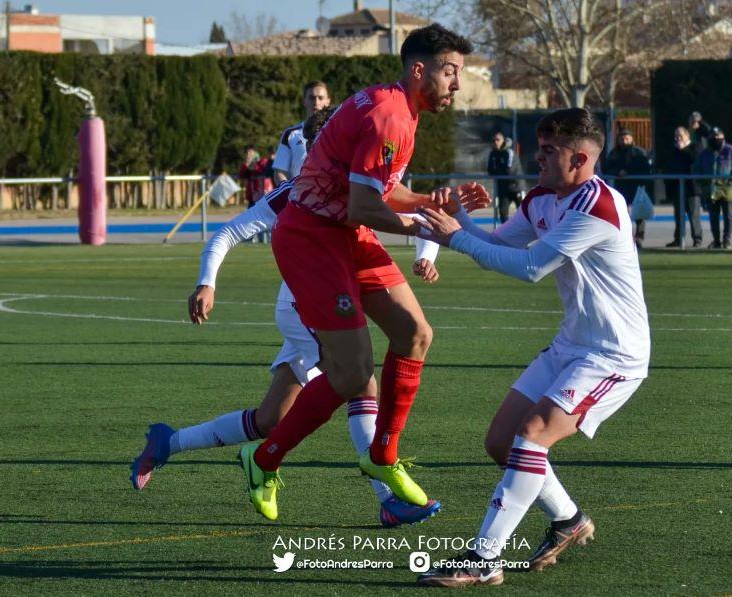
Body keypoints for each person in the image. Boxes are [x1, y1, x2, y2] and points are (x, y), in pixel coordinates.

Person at [131, 107, 453, 527]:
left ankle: (167, 442)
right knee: (360, 380)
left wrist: (428, 250)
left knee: (271, 419)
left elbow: (403, 212)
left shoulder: (357, 182)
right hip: (303, 306)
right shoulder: (298, 194)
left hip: (320, 302)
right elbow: (228, 232)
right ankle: (388, 498)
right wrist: (207, 282)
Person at [237, 24, 486, 522]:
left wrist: (437, 202)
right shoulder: (389, 114)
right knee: (352, 372)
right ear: (420, 69)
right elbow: (363, 204)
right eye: (450, 71)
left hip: (346, 231)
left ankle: (382, 456)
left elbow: (376, 191)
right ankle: (262, 458)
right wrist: (429, 228)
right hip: (312, 239)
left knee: (415, 333)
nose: (457, 83)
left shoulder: (398, 109)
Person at [414, 108, 649, 588]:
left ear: (580, 158)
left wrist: (455, 237)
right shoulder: (543, 198)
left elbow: (529, 268)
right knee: (501, 442)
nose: (533, 158)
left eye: (548, 152)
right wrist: (456, 217)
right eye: (537, 147)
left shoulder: (599, 206)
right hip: (572, 345)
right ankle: (568, 519)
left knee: (533, 433)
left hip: (613, 355)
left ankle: (484, 557)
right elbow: (498, 248)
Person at [693, 127, 732, 250]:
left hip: (728, 191)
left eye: (718, 137)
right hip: (710, 190)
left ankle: (727, 240)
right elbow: (697, 170)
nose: (715, 140)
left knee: (728, 216)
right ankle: (716, 241)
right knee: (713, 217)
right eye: (713, 137)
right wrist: (702, 183)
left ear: (723, 137)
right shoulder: (704, 154)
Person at [273, 80, 331, 184]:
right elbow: (280, 172)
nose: (316, 102)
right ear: (304, 101)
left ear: (328, 101)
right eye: (311, 97)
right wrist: (290, 194)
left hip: (330, 196)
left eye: (320, 98)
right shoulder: (290, 134)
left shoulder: (337, 132)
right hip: (299, 197)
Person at [603, 128, 650, 248]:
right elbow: (607, 168)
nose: (624, 141)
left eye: (627, 138)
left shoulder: (639, 153)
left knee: (639, 213)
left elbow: (645, 169)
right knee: (622, 214)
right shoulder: (614, 153)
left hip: (637, 187)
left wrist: (628, 172)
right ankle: (624, 237)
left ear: (632, 139)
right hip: (621, 188)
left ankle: (639, 237)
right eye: (622, 138)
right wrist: (618, 172)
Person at [665, 126, 702, 248]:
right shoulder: (673, 149)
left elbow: (695, 160)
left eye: (680, 136)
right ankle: (678, 239)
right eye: (676, 136)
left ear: (687, 136)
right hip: (677, 187)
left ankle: (697, 239)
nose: (678, 138)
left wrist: (684, 149)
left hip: (692, 187)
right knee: (678, 215)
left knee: (693, 215)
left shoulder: (695, 147)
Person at [487, 131, 524, 222]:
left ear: (503, 141)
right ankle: (506, 235)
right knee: (503, 213)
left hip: (516, 187)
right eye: (494, 140)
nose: (495, 142)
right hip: (503, 189)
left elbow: (509, 170)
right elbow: (490, 171)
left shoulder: (510, 153)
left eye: (498, 140)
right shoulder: (493, 154)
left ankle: (526, 233)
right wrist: (499, 170)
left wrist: (497, 170)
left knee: (523, 213)